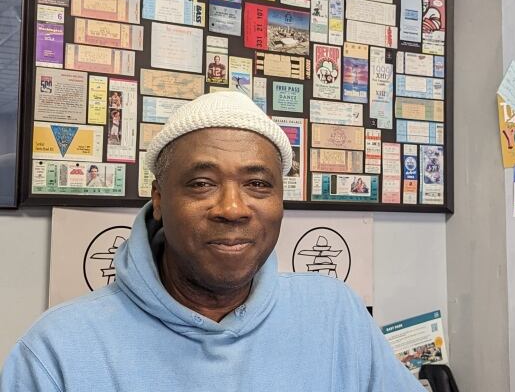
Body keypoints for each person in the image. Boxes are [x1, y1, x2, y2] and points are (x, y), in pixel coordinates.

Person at [1, 91, 422, 390]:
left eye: (258, 184)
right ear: (160, 200)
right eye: (202, 183)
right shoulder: (58, 350)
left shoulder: (335, 316)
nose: (233, 208)